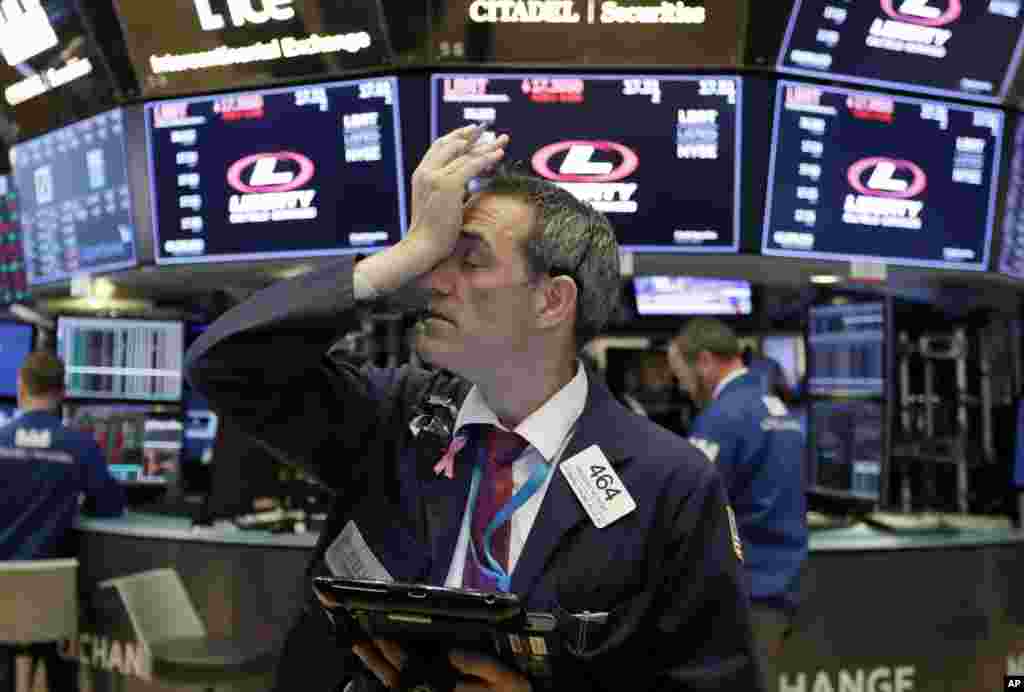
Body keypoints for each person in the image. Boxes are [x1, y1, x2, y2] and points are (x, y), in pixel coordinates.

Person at [185, 125, 763, 692]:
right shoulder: (392, 418)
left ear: (551, 300)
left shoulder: (671, 486)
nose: (434, 279)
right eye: (437, 256)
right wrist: (405, 252)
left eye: (470, 260)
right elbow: (224, 365)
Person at [668, 319, 808, 688]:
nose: (681, 387)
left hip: (740, 595)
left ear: (706, 362)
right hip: (780, 589)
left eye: (681, 374)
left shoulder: (721, 419)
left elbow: (685, 508)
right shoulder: (778, 410)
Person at [0, 350, 126, 691]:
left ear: (21, 386)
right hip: (51, 600)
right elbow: (112, 505)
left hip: (1, 596)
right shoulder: (79, 445)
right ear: (62, 392)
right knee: (60, 661)